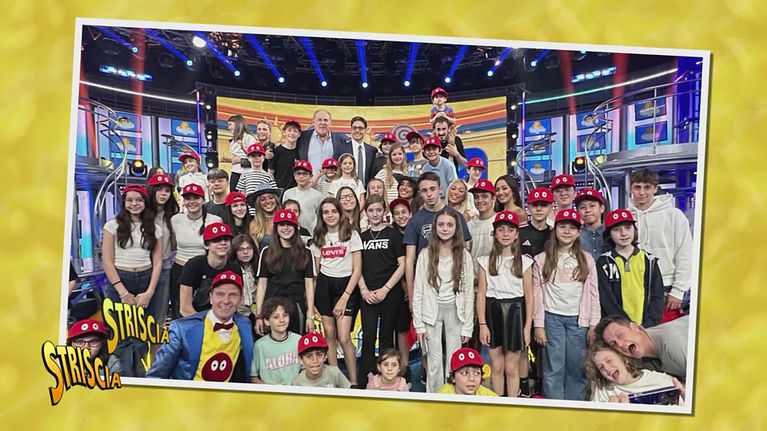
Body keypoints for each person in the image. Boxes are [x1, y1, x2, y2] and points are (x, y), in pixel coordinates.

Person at [532, 209, 599, 400]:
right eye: (562, 227)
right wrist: (539, 325)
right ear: (555, 230)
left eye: (572, 228)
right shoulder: (541, 259)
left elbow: (594, 294)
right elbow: (537, 295)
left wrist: (594, 324)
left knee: (577, 367)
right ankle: (554, 408)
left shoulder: (586, 259)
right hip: (552, 319)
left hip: (578, 321)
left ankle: (575, 407)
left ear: (578, 232)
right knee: (554, 366)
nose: (567, 231)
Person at [147, 271, 254, 382]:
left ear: (241, 299)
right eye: (220, 294)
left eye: (233, 295)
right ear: (211, 298)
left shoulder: (244, 325)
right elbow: (156, 375)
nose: (226, 300)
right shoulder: (182, 329)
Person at [101, 185, 162, 376]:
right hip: (120, 280)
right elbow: (107, 261)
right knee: (122, 334)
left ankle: (142, 377)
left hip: (145, 280)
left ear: (145, 202)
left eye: (139, 200)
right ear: (124, 203)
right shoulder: (112, 226)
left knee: (142, 334)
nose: (134, 204)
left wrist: (150, 292)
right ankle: (124, 377)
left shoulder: (155, 228)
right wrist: (123, 292)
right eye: (130, 200)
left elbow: (158, 262)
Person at [413, 207, 475, 393]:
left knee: (453, 359)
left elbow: (469, 293)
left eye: (450, 225)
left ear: (456, 228)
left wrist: (467, 326)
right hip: (431, 312)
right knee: (434, 361)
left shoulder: (464, 256)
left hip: (455, 311)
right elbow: (418, 291)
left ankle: (452, 395)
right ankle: (434, 397)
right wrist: (419, 325)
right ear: (435, 227)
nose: (445, 229)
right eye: (441, 225)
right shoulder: (425, 254)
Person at [476, 211, 533, 397]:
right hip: (493, 313)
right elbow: (481, 294)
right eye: (501, 230)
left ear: (516, 234)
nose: (505, 234)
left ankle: (513, 403)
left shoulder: (525, 263)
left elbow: (529, 297)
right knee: (497, 365)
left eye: (510, 230)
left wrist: (527, 327)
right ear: (494, 234)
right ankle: (498, 402)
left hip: (516, 313)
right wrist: (482, 324)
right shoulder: (485, 261)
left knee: (511, 366)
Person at [311, 198, 363, 386]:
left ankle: (354, 383)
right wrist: (312, 302)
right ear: (321, 216)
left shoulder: (352, 235)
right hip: (325, 285)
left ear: (340, 213)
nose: (330, 215)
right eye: (326, 212)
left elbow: (357, 270)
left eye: (334, 211)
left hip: (346, 285)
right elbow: (316, 273)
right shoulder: (318, 237)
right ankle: (335, 382)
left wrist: (344, 298)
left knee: (343, 337)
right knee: (330, 334)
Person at [627, 168, 693, 313]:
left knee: (666, 328)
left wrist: (678, 291)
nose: (642, 192)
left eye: (647, 187)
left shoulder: (674, 216)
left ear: (655, 189)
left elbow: (685, 254)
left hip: (667, 287)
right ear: (630, 188)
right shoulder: (626, 217)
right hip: (633, 285)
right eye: (637, 187)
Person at [404, 172, 472, 310]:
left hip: (453, 285)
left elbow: (464, 256)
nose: (429, 194)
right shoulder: (415, 221)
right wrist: (411, 296)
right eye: (424, 190)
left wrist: (465, 294)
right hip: (427, 285)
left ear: (440, 189)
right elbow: (409, 261)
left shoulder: (456, 216)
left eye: (432, 189)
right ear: (420, 193)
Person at [358, 195, 406, 385]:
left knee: (387, 337)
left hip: (390, 293)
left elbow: (402, 265)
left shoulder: (394, 235)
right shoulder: (361, 237)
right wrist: (364, 290)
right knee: (368, 337)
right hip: (368, 294)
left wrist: (385, 289)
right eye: (371, 210)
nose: (375, 214)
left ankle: (389, 379)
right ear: (366, 213)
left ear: (384, 211)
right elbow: (356, 267)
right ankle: (368, 380)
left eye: (379, 210)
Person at [597, 209, 665, 328]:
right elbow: (607, 299)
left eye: (628, 228)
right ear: (609, 234)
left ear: (634, 230)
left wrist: (650, 323)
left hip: (647, 326)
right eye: (617, 229)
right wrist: (625, 324)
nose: (623, 233)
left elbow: (657, 295)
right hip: (618, 326)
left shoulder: (649, 260)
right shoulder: (604, 262)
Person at [255, 208, 316, 335]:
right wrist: (259, 316)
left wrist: (310, 316)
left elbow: (309, 285)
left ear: (296, 227)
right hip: (272, 304)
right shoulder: (266, 251)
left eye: (290, 224)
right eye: (282, 224)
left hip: (296, 304)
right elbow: (262, 285)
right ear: (276, 228)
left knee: (297, 341)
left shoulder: (306, 252)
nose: (286, 228)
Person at [170, 184, 223, 319]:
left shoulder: (215, 220)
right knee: (180, 312)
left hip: (204, 272)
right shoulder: (176, 220)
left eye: (196, 198)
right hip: (180, 269)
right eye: (188, 198)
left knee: (207, 312)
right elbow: (172, 245)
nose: (192, 201)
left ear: (203, 200)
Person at [585, 342, 685, 405]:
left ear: (623, 358)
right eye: (601, 367)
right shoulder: (603, 392)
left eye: (609, 361)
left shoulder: (662, 381)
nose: (606, 368)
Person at [595, 313, 689, 379]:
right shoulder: (645, 361)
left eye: (620, 335)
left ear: (635, 327)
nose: (620, 344)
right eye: (613, 344)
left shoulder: (674, 345)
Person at [178, 222, 241, 316]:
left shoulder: (235, 268)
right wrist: (207, 323)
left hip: (225, 317)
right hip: (194, 317)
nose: (223, 243)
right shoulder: (193, 265)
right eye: (217, 240)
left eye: (226, 239)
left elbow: (235, 303)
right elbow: (185, 308)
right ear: (206, 245)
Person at [145, 172, 179, 325]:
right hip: (143, 265)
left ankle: (157, 338)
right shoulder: (141, 212)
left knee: (160, 311)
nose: (163, 194)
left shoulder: (173, 214)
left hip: (165, 264)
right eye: (159, 189)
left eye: (167, 190)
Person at [250, 297, 302, 385]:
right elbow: (253, 377)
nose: (282, 320)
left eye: (285, 315)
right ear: (267, 321)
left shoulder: (298, 340)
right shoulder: (260, 345)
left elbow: (306, 371)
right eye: (276, 317)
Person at [297, 109, 351, 175]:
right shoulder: (302, 137)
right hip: (309, 180)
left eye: (325, 120)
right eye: (319, 120)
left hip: (332, 180)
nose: (323, 123)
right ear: (313, 122)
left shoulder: (340, 140)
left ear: (330, 122)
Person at [282, 160, 324, 233]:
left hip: (311, 233)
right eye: (299, 173)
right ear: (294, 176)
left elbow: (320, 217)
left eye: (305, 174)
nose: (301, 176)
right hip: (291, 232)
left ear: (311, 176)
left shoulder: (318, 195)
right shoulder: (288, 193)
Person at [237, 143, 277, 214]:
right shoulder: (244, 175)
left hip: (264, 212)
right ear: (249, 158)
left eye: (259, 155)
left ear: (263, 158)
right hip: (249, 212)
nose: (257, 158)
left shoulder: (268, 176)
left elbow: (274, 195)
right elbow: (241, 194)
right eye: (253, 156)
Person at [229, 234, 259, 319]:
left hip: (256, 311)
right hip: (236, 312)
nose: (245, 252)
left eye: (249, 248)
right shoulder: (230, 269)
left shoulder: (259, 267)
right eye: (241, 249)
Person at [519, 187, 554, 258]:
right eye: (535, 205)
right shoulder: (519, 231)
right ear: (529, 207)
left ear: (551, 207)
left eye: (544, 205)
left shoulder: (554, 234)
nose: (539, 209)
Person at [575, 188, 609, 260]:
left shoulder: (611, 233)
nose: (587, 210)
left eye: (592, 206)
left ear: (602, 208)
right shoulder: (575, 236)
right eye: (582, 207)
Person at [227, 114, 256, 192]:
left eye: (230, 124)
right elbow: (234, 159)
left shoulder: (249, 138)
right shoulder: (233, 141)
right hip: (235, 171)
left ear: (237, 124)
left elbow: (254, 158)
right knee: (234, 194)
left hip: (246, 173)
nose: (228, 128)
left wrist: (240, 160)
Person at [248, 185, 282, 249]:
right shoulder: (254, 224)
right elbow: (256, 251)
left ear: (276, 199)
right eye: (263, 199)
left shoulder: (285, 219)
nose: (268, 201)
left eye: (271, 197)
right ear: (258, 203)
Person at [270, 119, 302, 190]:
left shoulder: (301, 152)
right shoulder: (277, 151)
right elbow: (271, 172)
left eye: (295, 131)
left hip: (295, 191)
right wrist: (273, 189)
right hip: (279, 190)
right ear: (284, 132)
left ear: (299, 134)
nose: (292, 133)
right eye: (289, 130)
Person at [348, 116, 379, 185]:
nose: (357, 130)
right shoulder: (341, 148)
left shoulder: (372, 150)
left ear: (365, 130)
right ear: (351, 129)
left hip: (367, 189)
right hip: (347, 189)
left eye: (360, 128)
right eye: (354, 128)